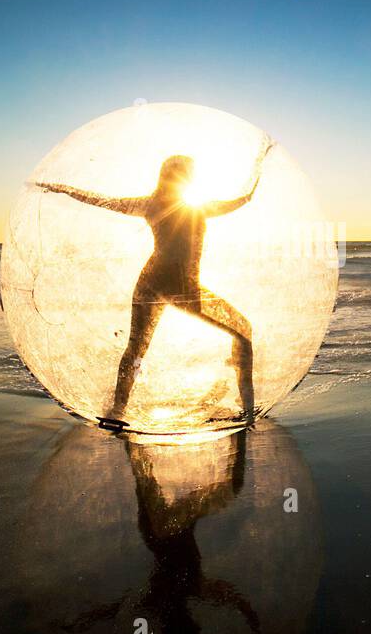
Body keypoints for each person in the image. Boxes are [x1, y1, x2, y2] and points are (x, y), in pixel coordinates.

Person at [38, 147, 269, 428]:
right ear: (176, 177)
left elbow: (242, 200)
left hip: (166, 285)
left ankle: (119, 411)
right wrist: (61, 189)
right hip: (168, 285)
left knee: (235, 332)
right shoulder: (165, 205)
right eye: (187, 174)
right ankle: (118, 412)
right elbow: (102, 201)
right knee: (144, 347)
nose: (190, 179)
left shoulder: (179, 206)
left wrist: (260, 162)